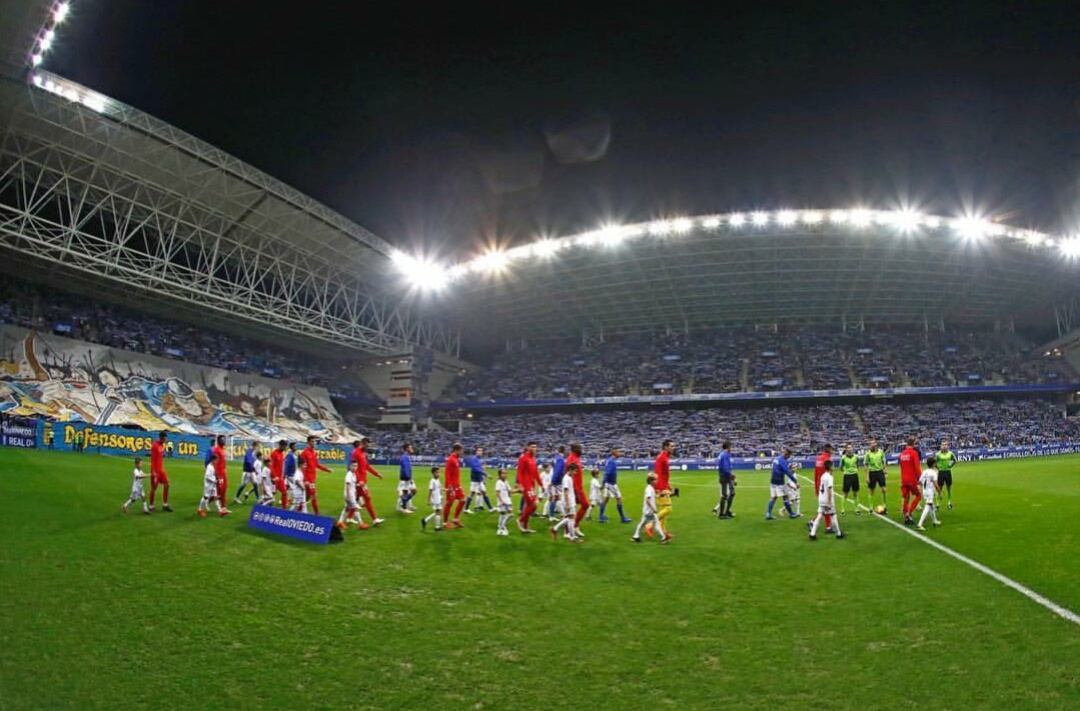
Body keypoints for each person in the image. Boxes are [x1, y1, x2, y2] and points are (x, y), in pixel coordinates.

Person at [645, 440, 675, 538]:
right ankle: (650, 525)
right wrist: (658, 489)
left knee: (664, 512)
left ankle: (663, 532)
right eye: (671, 446)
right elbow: (657, 474)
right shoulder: (661, 458)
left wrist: (670, 486)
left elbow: (664, 475)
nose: (673, 448)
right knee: (668, 508)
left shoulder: (665, 457)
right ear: (665, 447)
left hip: (664, 486)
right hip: (661, 488)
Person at [351, 438, 384, 525]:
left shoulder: (363, 453)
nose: (367, 446)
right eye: (366, 444)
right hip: (359, 482)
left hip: (362, 481)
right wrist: (360, 480)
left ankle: (347, 518)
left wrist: (377, 474)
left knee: (354, 500)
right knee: (367, 499)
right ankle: (374, 519)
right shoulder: (356, 453)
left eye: (368, 445)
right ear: (362, 443)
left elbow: (367, 466)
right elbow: (355, 468)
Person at [808, 460, 843, 540]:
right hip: (827, 499)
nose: (834, 467)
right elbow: (829, 490)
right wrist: (829, 502)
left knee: (820, 515)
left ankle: (812, 534)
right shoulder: (830, 477)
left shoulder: (823, 475)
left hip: (821, 499)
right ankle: (839, 534)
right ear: (830, 467)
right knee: (833, 515)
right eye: (833, 465)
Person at [632, 473, 669, 544]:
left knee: (643, 523)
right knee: (656, 524)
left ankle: (635, 536)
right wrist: (654, 509)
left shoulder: (650, 488)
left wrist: (660, 494)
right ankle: (663, 538)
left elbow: (654, 496)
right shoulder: (649, 488)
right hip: (650, 511)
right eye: (656, 480)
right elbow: (648, 500)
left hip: (647, 511)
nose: (657, 481)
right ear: (651, 481)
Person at [598, 447, 632, 523]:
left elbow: (606, 472)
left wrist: (604, 483)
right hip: (612, 484)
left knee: (606, 499)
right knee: (619, 498)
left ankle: (601, 516)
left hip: (608, 483)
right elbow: (608, 473)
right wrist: (604, 483)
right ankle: (623, 518)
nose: (620, 453)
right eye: (618, 452)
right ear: (614, 453)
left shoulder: (609, 460)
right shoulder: (612, 462)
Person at [550, 462, 582, 542]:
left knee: (569, 518)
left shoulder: (569, 477)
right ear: (570, 470)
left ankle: (555, 529)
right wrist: (568, 504)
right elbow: (566, 491)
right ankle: (572, 537)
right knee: (571, 519)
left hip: (570, 500)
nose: (576, 473)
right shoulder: (566, 478)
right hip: (569, 501)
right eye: (575, 471)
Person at [300, 436, 331, 515]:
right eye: (312, 441)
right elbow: (302, 467)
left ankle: (296, 512)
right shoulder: (304, 453)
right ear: (308, 443)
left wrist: (327, 469)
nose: (314, 443)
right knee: (313, 496)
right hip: (308, 480)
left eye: (314, 442)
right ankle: (317, 514)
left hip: (312, 479)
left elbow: (317, 464)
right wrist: (306, 480)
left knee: (306, 497)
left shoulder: (314, 452)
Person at [766, 448, 799, 520]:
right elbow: (788, 472)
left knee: (773, 497)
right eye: (789, 456)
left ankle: (768, 514)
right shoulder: (783, 461)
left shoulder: (776, 458)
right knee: (785, 497)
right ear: (787, 454)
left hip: (773, 481)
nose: (789, 457)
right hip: (779, 482)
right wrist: (795, 481)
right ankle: (791, 514)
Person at [515, 441, 541, 533]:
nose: (534, 449)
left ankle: (525, 526)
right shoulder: (523, 458)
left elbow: (536, 473)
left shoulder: (533, 459)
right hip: (526, 485)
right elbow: (519, 472)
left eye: (535, 447)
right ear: (528, 447)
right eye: (532, 447)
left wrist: (541, 484)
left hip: (531, 485)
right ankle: (520, 520)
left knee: (531, 506)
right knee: (533, 505)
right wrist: (520, 484)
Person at [899, 437, 923, 526]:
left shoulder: (902, 454)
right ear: (914, 443)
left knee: (906, 497)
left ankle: (906, 515)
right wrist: (920, 479)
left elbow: (901, 467)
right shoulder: (914, 453)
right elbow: (917, 467)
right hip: (912, 479)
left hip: (903, 479)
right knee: (919, 496)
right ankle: (909, 513)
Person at [567, 443, 589, 537]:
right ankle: (574, 526)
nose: (581, 450)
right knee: (585, 505)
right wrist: (575, 489)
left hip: (578, 487)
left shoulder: (576, 458)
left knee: (572, 508)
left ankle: (571, 527)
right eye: (579, 448)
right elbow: (569, 474)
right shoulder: (571, 458)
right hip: (576, 488)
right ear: (574, 449)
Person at [442, 443, 466, 528]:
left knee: (463, 500)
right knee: (449, 503)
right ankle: (445, 523)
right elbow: (447, 474)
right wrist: (449, 487)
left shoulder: (456, 459)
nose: (462, 452)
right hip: (451, 486)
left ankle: (455, 519)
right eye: (461, 450)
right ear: (457, 450)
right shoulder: (451, 459)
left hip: (457, 485)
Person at [149, 430, 172, 513]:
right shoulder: (155, 446)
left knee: (167, 484)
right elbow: (152, 460)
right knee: (154, 488)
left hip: (161, 470)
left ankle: (165, 505)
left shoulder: (162, 445)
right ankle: (151, 506)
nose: (166, 439)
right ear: (162, 438)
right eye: (165, 438)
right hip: (155, 470)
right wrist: (153, 472)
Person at [464, 446, 493, 513]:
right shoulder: (474, 459)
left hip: (479, 480)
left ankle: (490, 508)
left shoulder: (479, 459)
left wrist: (484, 476)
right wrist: (486, 474)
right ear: (476, 452)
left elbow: (480, 469)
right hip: (475, 480)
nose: (480, 452)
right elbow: (476, 469)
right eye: (479, 450)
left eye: (481, 451)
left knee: (483, 492)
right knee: (473, 493)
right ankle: (466, 509)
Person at [338, 461, 366, 530]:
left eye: (356, 466)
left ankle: (340, 522)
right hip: (350, 495)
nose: (355, 467)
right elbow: (347, 484)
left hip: (351, 494)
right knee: (355, 508)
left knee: (347, 508)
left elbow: (353, 485)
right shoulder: (349, 474)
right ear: (350, 466)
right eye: (353, 466)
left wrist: (359, 484)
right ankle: (361, 524)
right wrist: (348, 496)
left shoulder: (353, 474)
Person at [917, 455, 942, 531]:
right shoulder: (933, 473)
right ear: (933, 464)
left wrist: (921, 491)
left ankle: (934, 520)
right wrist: (940, 493)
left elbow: (920, 482)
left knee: (931, 506)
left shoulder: (924, 471)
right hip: (930, 491)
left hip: (925, 491)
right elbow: (936, 484)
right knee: (928, 506)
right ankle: (920, 524)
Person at [864, 438, 887, 512]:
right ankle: (871, 507)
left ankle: (884, 505)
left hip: (880, 472)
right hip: (872, 473)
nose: (872, 445)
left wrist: (885, 471)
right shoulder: (868, 454)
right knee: (871, 490)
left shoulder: (881, 452)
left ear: (876, 444)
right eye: (871, 444)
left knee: (884, 489)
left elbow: (884, 462)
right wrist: (867, 476)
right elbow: (866, 465)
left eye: (873, 443)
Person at [838, 444, 862, 515]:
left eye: (851, 447)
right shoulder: (843, 458)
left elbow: (858, 465)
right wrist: (846, 471)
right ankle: (842, 509)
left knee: (855, 493)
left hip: (855, 475)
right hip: (847, 476)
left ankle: (856, 509)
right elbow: (841, 467)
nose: (850, 449)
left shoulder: (856, 457)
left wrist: (854, 471)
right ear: (846, 449)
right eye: (848, 448)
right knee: (845, 493)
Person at [211, 435, 231, 516]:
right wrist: (216, 474)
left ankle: (223, 508)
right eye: (222, 440)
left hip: (223, 472)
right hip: (219, 473)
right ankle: (209, 500)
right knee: (220, 491)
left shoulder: (223, 449)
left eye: (224, 440)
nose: (224, 441)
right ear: (219, 441)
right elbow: (215, 462)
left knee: (224, 489)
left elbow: (223, 462)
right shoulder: (216, 449)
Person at [715, 440, 735, 518]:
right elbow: (725, 467)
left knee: (732, 493)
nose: (731, 448)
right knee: (724, 495)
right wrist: (731, 475)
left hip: (725, 476)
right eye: (731, 446)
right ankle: (721, 514)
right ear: (728, 447)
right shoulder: (725, 455)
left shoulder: (722, 454)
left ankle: (727, 511)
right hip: (725, 476)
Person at [420, 466, 443, 532]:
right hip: (435, 499)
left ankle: (426, 521)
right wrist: (428, 500)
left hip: (438, 498)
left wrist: (445, 490)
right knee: (438, 512)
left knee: (438, 512)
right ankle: (436, 527)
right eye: (437, 472)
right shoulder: (432, 481)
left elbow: (439, 488)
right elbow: (430, 491)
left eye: (439, 472)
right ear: (433, 473)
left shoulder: (437, 480)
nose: (438, 474)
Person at [546, 446, 566, 518]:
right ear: (564, 451)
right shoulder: (560, 459)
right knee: (559, 497)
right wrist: (553, 481)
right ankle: (563, 514)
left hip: (555, 480)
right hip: (557, 481)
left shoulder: (556, 458)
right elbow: (558, 470)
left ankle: (552, 515)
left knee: (555, 498)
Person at [397, 443, 418, 513]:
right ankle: (403, 507)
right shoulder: (404, 457)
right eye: (410, 447)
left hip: (408, 478)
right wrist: (408, 478)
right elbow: (405, 468)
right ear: (407, 449)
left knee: (413, 491)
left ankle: (403, 505)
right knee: (405, 493)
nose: (412, 449)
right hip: (406, 479)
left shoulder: (407, 456)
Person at [937, 440, 957, 510]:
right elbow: (934, 462)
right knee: (939, 488)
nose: (944, 446)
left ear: (947, 446)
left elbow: (955, 460)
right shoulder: (938, 454)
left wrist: (950, 465)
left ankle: (949, 502)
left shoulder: (950, 453)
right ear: (941, 446)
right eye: (943, 445)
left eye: (945, 445)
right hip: (941, 472)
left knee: (949, 488)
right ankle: (937, 503)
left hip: (948, 472)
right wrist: (938, 467)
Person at [494, 468, 514, 536]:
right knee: (503, 514)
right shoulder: (498, 482)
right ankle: (501, 528)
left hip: (507, 501)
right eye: (503, 473)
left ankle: (501, 526)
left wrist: (518, 491)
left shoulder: (506, 482)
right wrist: (501, 501)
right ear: (500, 475)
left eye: (506, 473)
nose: (505, 475)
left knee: (510, 515)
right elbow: (497, 493)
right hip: (503, 502)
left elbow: (509, 490)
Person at [270, 440, 287, 509]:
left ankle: (284, 509)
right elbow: (271, 466)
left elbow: (281, 466)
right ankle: (264, 508)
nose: (285, 448)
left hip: (280, 479)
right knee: (271, 495)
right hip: (274, 479)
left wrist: (283, 475)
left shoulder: (282, 454)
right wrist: (273, 477)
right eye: (284, 446)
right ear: (280, 445)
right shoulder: (274, 454)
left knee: (284, 493)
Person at [282, 441, 299, 510]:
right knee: (296, 487)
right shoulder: (290, 455)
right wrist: (285, 474)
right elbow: (286, 465)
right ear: (292, 447)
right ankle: (293, 502)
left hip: (293, 474)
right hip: (290, 475)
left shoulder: (294, 454)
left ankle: (287, 500)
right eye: (295, 446)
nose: (296, 447)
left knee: (289, 488)